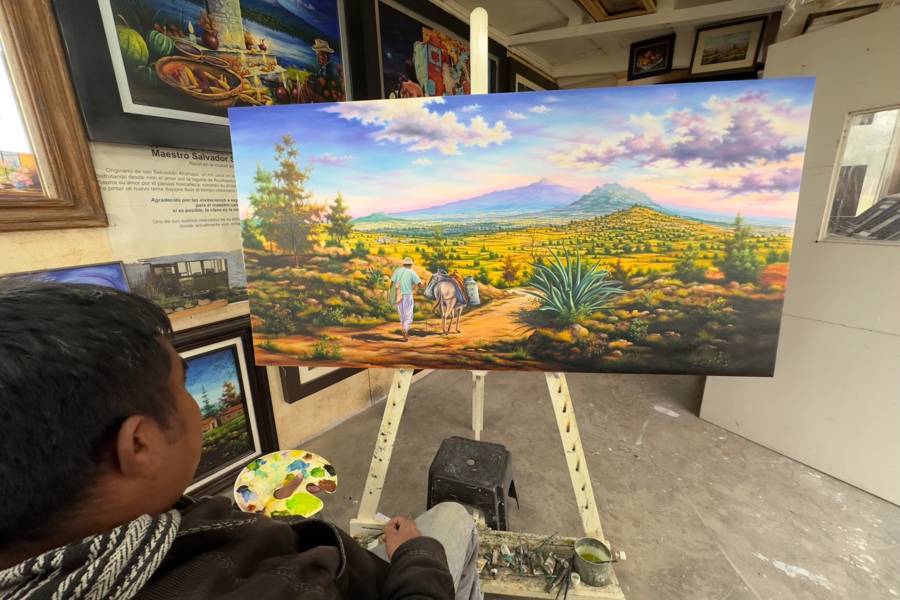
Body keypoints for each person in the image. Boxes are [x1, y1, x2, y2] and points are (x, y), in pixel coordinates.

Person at [0, 282, 482, 599]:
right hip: (371, 582)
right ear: (139, 445)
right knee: (453, 518)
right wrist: (415, 558)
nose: (194, 405)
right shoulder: (283, 589)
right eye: (182, 386)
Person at [391, 257, 423, 342]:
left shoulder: (397, 271)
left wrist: (393, 293)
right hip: (408, 295)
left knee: (402, 314)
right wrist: (423, 286)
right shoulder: (412, 272)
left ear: (404, 264)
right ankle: (405, 330)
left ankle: (404, 329)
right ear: (411, 264)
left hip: (399, 295)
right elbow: (420, 284)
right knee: (408, 314)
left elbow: (392, 283)